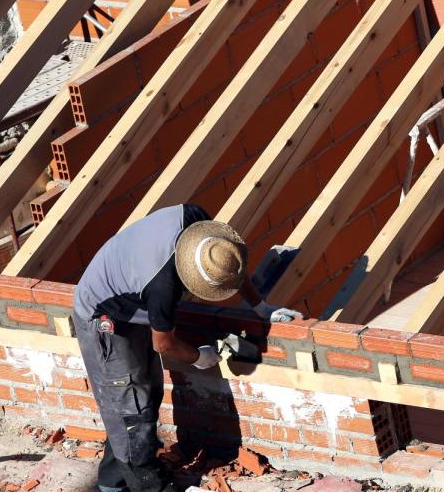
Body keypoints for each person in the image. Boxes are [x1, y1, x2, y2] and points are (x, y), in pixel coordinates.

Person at [72, 203, 302, 492]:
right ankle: (146, 481)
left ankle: (111, 481)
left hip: (130, 293)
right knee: (131, 405)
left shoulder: (203, 231)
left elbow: (230, 267)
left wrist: (261, 308)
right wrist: (198, 357)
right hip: (103, 314)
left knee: (147, 390)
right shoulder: (163, 286)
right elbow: (163, 343)